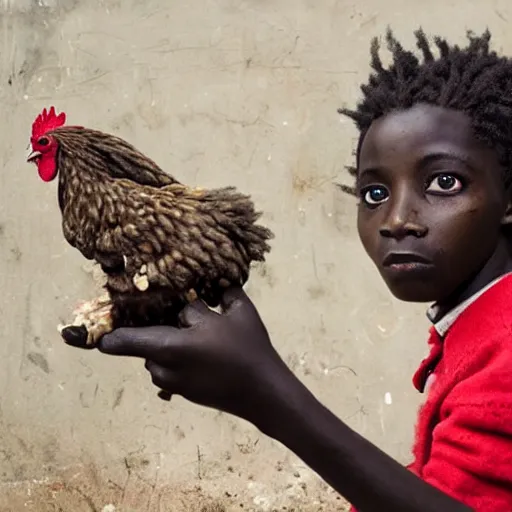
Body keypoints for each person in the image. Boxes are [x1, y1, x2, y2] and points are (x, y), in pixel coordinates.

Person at [64, 28, 512, 511]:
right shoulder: (476, 321)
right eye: (374, 195)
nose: (397, 219)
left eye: (444, 182)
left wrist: (269, 397)